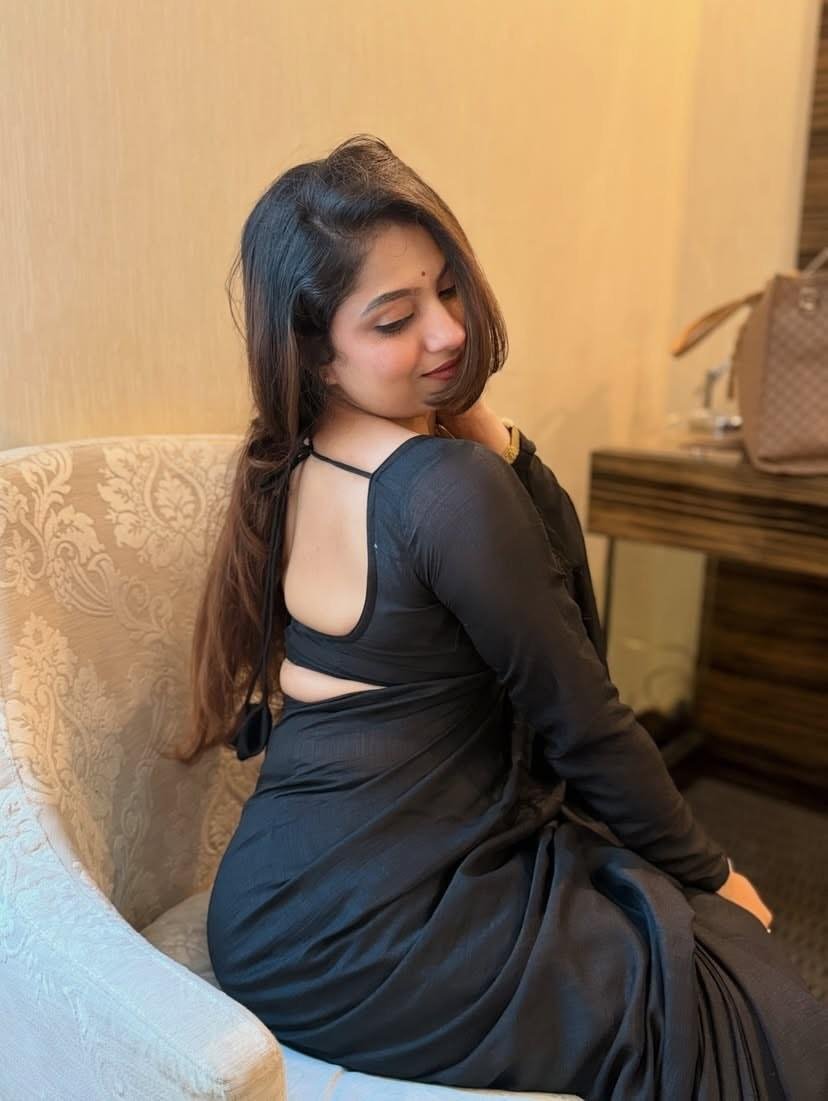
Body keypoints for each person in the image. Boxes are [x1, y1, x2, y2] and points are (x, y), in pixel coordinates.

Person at [178, 135, 827, 1099]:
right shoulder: (443, 487)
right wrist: (716, 868)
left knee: (677, 936)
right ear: (317, 353)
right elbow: (584, 714)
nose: (446, 333)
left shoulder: (295, 458)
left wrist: (500, 442)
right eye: (396, 319)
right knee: (739, 994)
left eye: (447, 290)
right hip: (379, 929)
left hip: (270, 911)